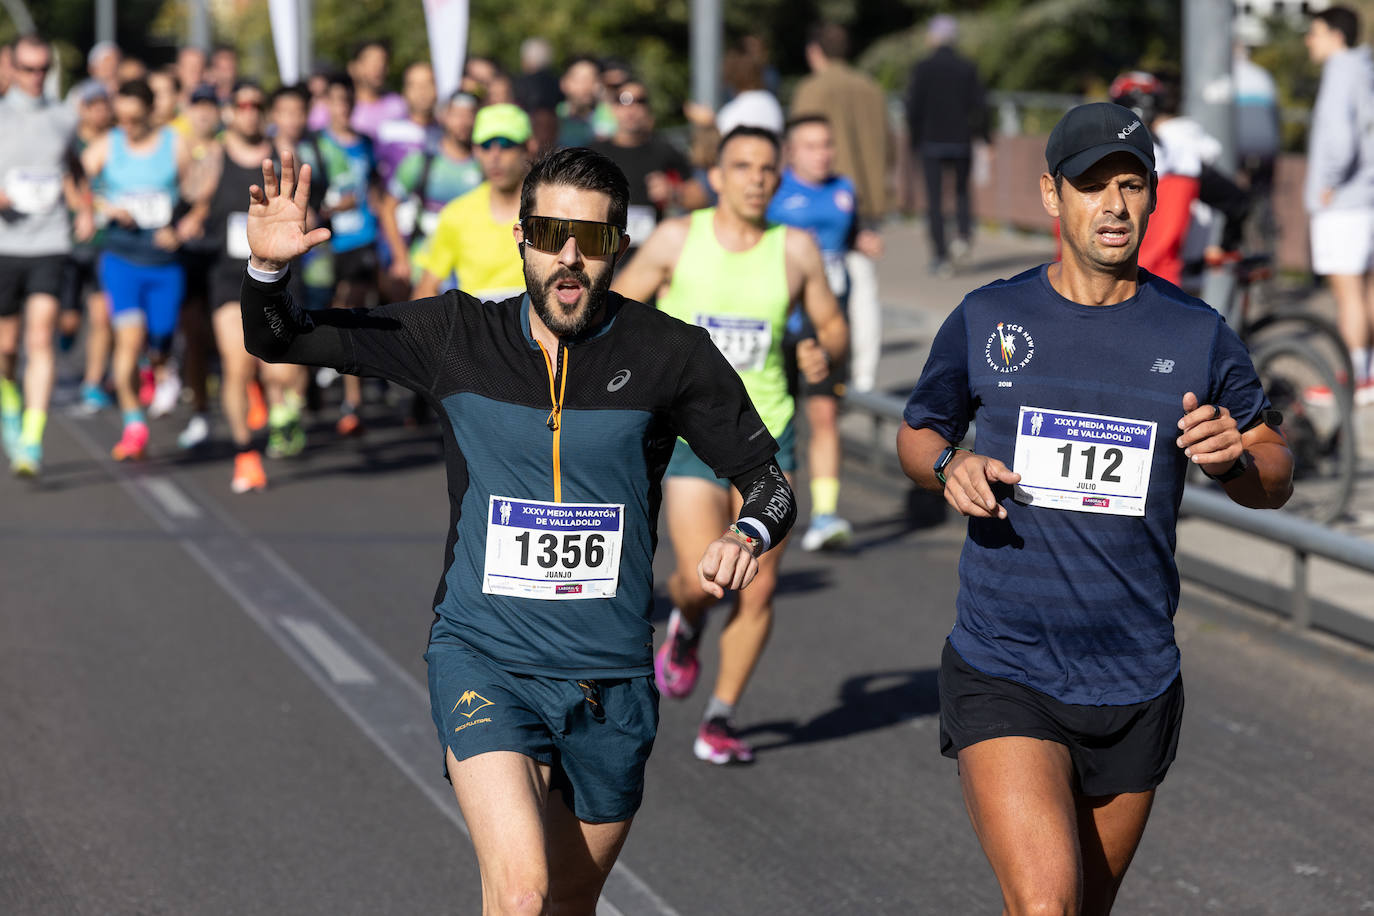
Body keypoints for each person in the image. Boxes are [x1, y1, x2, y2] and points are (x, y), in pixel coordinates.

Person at [241, 144, 797, 913]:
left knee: (567, 904)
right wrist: (267, 272)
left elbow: (768, 484)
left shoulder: (672, 354)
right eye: (548, 234)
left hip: (612, 678)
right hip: (485, 655)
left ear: (620, 247)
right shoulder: (456, 335)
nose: (569, 259)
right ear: (521, 238)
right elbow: (282, 338)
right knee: (522, 894)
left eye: (593, 240)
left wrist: (748, 537)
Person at [897, 102, 1293, 914]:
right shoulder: (990, 317)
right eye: (1090, 186)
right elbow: (917, 431)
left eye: (1132, 185)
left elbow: (1273, 469)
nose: (1113, 206)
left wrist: (1236, 458)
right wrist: (949, 464)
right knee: (1047, 904)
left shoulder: (1198, 333)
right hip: (1005, 664)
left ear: (1153, 197)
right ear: (1052, 196)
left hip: (1135, 673)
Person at [613, 126, 847, 764]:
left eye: (768, 168)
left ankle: (720, 716)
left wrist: (821, 351)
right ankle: (686, 624)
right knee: (701, 580)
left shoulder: (795, 248)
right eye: (742, 165)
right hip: (690, 434)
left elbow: (831, 324)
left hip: (769, 435)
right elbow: (617, 311)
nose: (756, 178)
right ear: (716, 175)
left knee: (760, 587)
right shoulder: (676, 238)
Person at [767, 114, 881, 550]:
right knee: (773, 422)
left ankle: (826, 515)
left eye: (827, 144)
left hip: (826, 324)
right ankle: (763, 508)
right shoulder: (775, 193)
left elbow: (849, 238)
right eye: (812, 146)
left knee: (824, 415)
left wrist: (863, 241)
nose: (823, 154)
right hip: (781, 325)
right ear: (792, 152)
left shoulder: (844, 190)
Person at [197, 80, 307, 491]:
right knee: (237, 364)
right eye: (241, 104)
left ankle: (283, 406)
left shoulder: (282, 159)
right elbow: (190, 198)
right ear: (231, 111)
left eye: (256, 104)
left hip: (275, 277)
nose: (249, 111)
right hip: (227, 278)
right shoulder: (214, 156)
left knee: (281, 367)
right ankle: (245, 453)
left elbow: (303, 211)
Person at [82, 77, 195, 461]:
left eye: (134, 119)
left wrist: (180, 228)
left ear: (150, 111)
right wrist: (105, 208)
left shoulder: (173, 144)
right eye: (121, 118)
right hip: (122, 258)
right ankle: (133, 424)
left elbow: (200, 192)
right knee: (128, 342)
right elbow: (78, 183)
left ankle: (159, 363)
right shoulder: (108, 145)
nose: (126, 126)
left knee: (160, 337)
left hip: (164, 262)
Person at [0, 34, 91, 476]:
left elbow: (73, 164)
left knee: (40, 339)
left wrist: (85, 207)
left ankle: (32, 441)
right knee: (6, 347)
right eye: (28, 69)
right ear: (11, 68)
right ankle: (9, 404)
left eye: (43, 70)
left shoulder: (63, 117)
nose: (36, 78)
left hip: (49, 243)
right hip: (4, 244)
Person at [791, 22, 888, 394]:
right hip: (867, 198)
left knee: (825, 290)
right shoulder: (870, 87)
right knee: (863, 291)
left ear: (814, 52)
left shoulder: (811, 89)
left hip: (823, 200)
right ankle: (863, 378)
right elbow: (889, 146)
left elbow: (799, 144)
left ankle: (825, 368)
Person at [1305, 5, 1374, 403]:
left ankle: (1353, 378)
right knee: (1364, 290)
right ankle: (1366, 371)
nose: (1309, 40)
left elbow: (1340, 139)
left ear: (1336, 35)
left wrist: (1327, 183)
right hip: (1364, 196)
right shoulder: (1364, 70)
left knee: (1348, 293)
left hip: (1345, 200)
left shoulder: (1339, 71)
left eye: (1314, 32)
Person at [413, 104, 531, 302]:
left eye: (506, 143)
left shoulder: (551, 209)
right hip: (477, 331)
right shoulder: (456, 213)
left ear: (527, 147)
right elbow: (425, 290)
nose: (495, 156)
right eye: (485, 145)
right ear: (475, 151)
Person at [317, 73, 381, 436]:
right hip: (325, 244)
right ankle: (316, 379)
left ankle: (352, 401)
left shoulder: (366, 144)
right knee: (324, 314)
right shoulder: (316, 146)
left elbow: (375, 190)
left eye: (348, 102)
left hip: (361, 240)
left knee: (350, 312)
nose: (342, 109)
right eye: (336, 101)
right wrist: (331, 209)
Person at [904, 14, 988, 277]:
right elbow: (980, 106)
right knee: (962, 191)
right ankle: (963, 235)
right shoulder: (967, 67)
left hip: (931, 142)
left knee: (935, 199)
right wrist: (985, 137)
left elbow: (912, 108)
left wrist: (914, 140)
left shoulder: (922, 68)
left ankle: (940, 256)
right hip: (961, 140)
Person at [379, 90, 482, 291]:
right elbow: (387, 208)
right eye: (457, 114)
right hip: (424, 268)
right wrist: (400, 258)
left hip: (468, 270)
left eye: (470, 114)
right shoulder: (421, 162)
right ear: (444, 117)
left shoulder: (484, 167)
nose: (464, 122)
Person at [590, 80, 706, 257]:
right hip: (603, 253)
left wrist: (673, 192)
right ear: (613, 108)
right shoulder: (595, 153)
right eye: (623, 100)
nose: (631, 108)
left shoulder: (664, 150)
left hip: (649, 254)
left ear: (648, 108)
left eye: (640, 101)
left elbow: (702, 198)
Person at [65, 83, 116, 416]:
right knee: (67, 320)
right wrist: (83, 208)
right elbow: (65, 181)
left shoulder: (116, 142)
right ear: (82, 108)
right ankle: (65, 334)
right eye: (92, 105)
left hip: (105, 242)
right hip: (69, 241)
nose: (99, 111)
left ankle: (93, 382)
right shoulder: (69, 142)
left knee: (102, 315)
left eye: (103, 105)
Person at [347, 40, 407, 143]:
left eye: (382, 61)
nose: (378, 67)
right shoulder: (340, 107)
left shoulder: (399, 105)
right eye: (371, 61)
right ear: (353, 68)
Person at [556, 56, 614, 148]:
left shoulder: (609, 116)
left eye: (593, 79)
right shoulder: (554, 116)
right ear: (564, 83)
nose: (587, 86)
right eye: (581, 80)